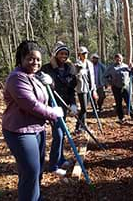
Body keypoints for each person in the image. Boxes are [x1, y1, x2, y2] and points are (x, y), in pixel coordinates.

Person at [2, 40, 64, 201]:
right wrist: (54, 113)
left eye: (38, 59)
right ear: (21, 59)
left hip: (37, 128)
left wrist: (51, 83)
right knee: (30, 171)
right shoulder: (16, 78)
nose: (35, 62)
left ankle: (34, 197)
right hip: (20, 130)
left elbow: (44, 96)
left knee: (35, 171)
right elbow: (32, 105)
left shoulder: (34, 76)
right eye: (30, 58)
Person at [41, 41, 77, 176]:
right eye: (61, 53)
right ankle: (53, 165)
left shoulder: (70, 68)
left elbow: (71, 89)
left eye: (66, 54)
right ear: (55, 54)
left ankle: (61, 159)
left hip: (63, 106)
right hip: (52, 106)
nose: (63, 56)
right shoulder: (46, 69)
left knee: (62, 132)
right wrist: (44, 81)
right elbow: (38, 84)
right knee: (59, 134)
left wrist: (73, 104)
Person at [104, 53, 133, 123]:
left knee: (129, 101)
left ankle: (132, 115)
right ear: (115, 59)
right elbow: (105, 76)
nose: (118, 59)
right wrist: (110, 82)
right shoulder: (110, 68)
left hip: (126, 87)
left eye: (120, 58)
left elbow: (132, 74)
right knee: (118, 103)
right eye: (117, 58)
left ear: (122, 59)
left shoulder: (126, 66)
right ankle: (121, 117)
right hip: (116, 87)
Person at [74, 46, 98, 133]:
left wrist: (94, 89)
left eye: (86, 53)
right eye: (83, 53)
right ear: (79, 54)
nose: (85, 55)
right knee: (83, 108)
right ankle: (78, 126)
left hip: (89, 88)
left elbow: (93, 77)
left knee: (85, 108)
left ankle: (82, 125)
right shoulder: (77, 64)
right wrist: (79, 73)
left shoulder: (90, 64)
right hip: (82, 88)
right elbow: (74, 76)